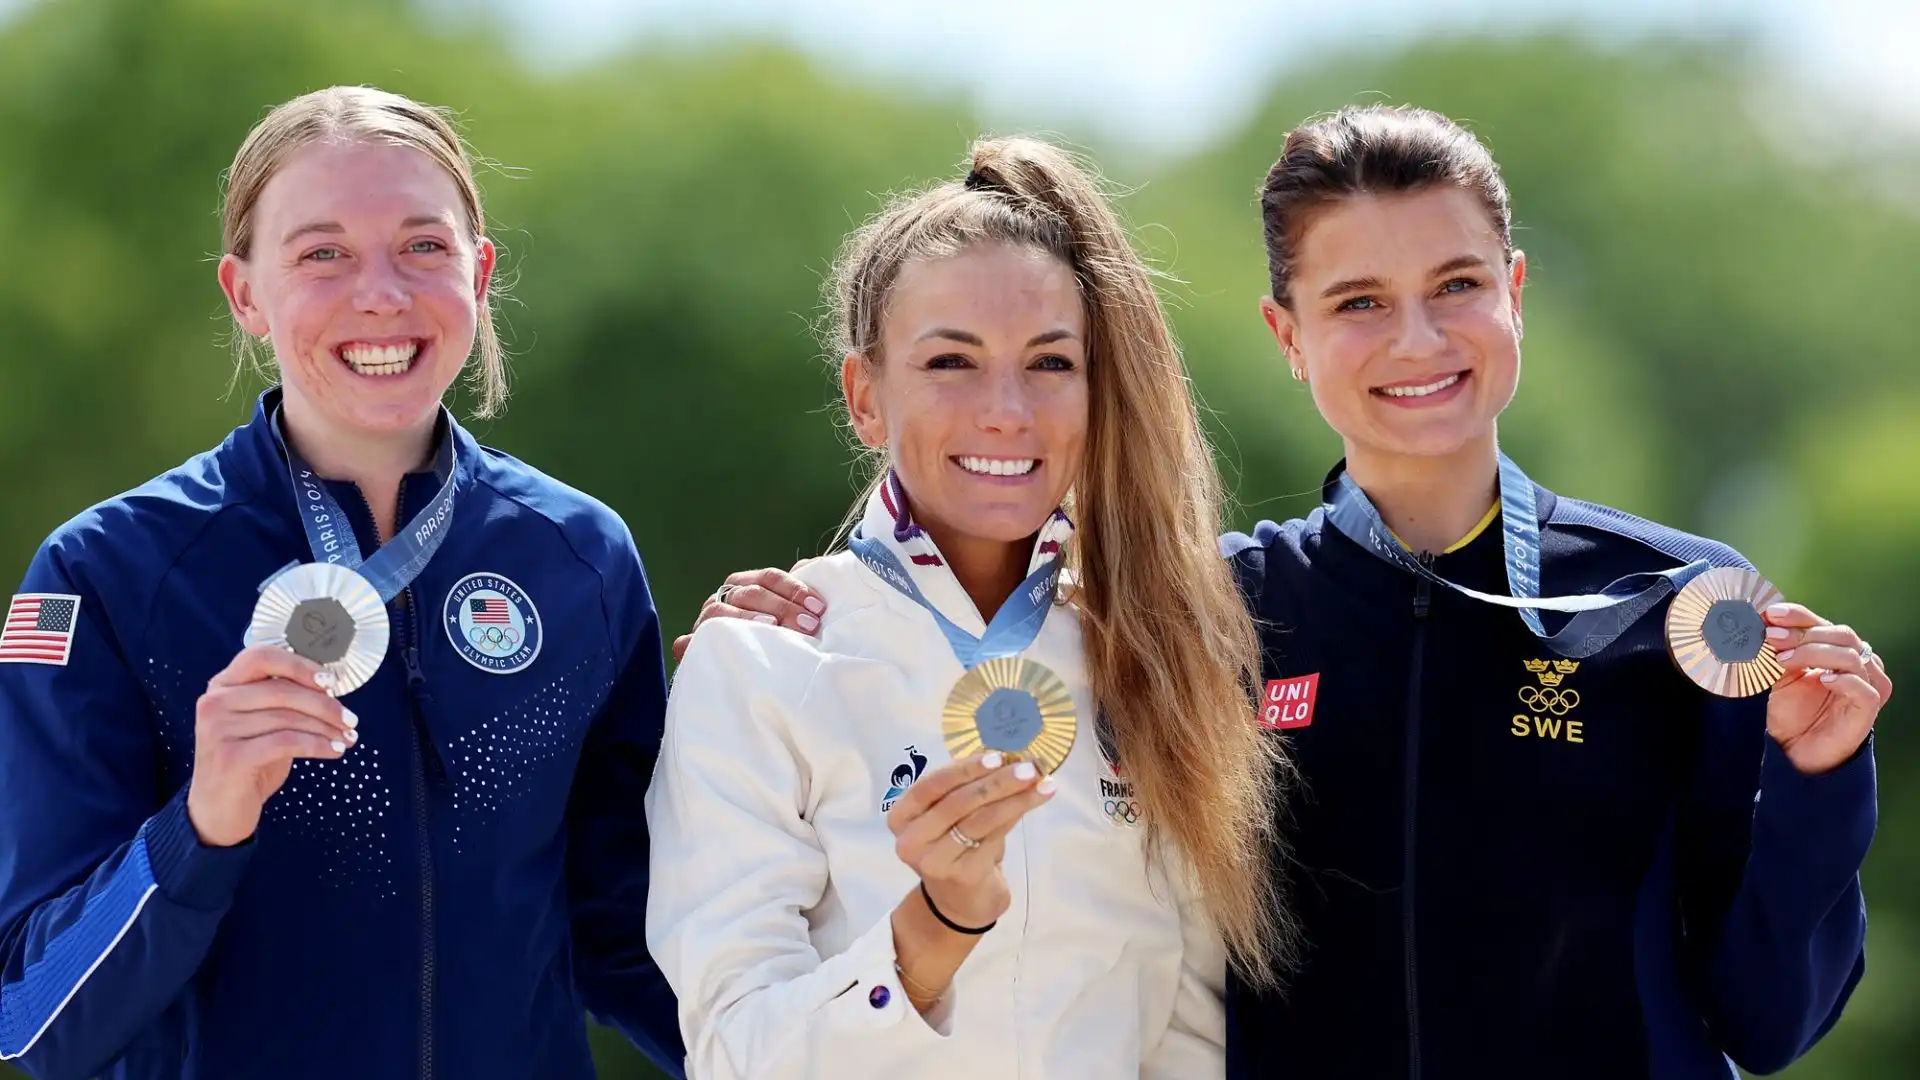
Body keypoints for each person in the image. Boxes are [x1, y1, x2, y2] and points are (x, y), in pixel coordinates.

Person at [676, 105, 1891, 1079]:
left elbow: (1770, 1020)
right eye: (1357, 302)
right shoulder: (1199, 618)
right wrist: (777, 628)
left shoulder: (1678, 601)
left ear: (1514, 289)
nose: (1416, 339)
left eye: (1457, 285)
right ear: (1285, 332)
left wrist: (1820, 781)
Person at [0, 87, 681, 1080]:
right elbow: (35, 1017)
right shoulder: (106, 571)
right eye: (322, 254)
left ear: (480, 272)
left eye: (423, 247)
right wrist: (201, 824)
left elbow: (633, 937)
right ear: (244, 293)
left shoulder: (580, 555)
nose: (382, 295)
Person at [645, 136, 1292, 1080]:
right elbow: (735, 1052)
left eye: (1050, 363)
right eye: (951, 361)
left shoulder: (1159, 653)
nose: (1006, 411)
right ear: (866, 398)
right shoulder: (758, 663)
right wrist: (934, 924)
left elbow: (1187, 1038)